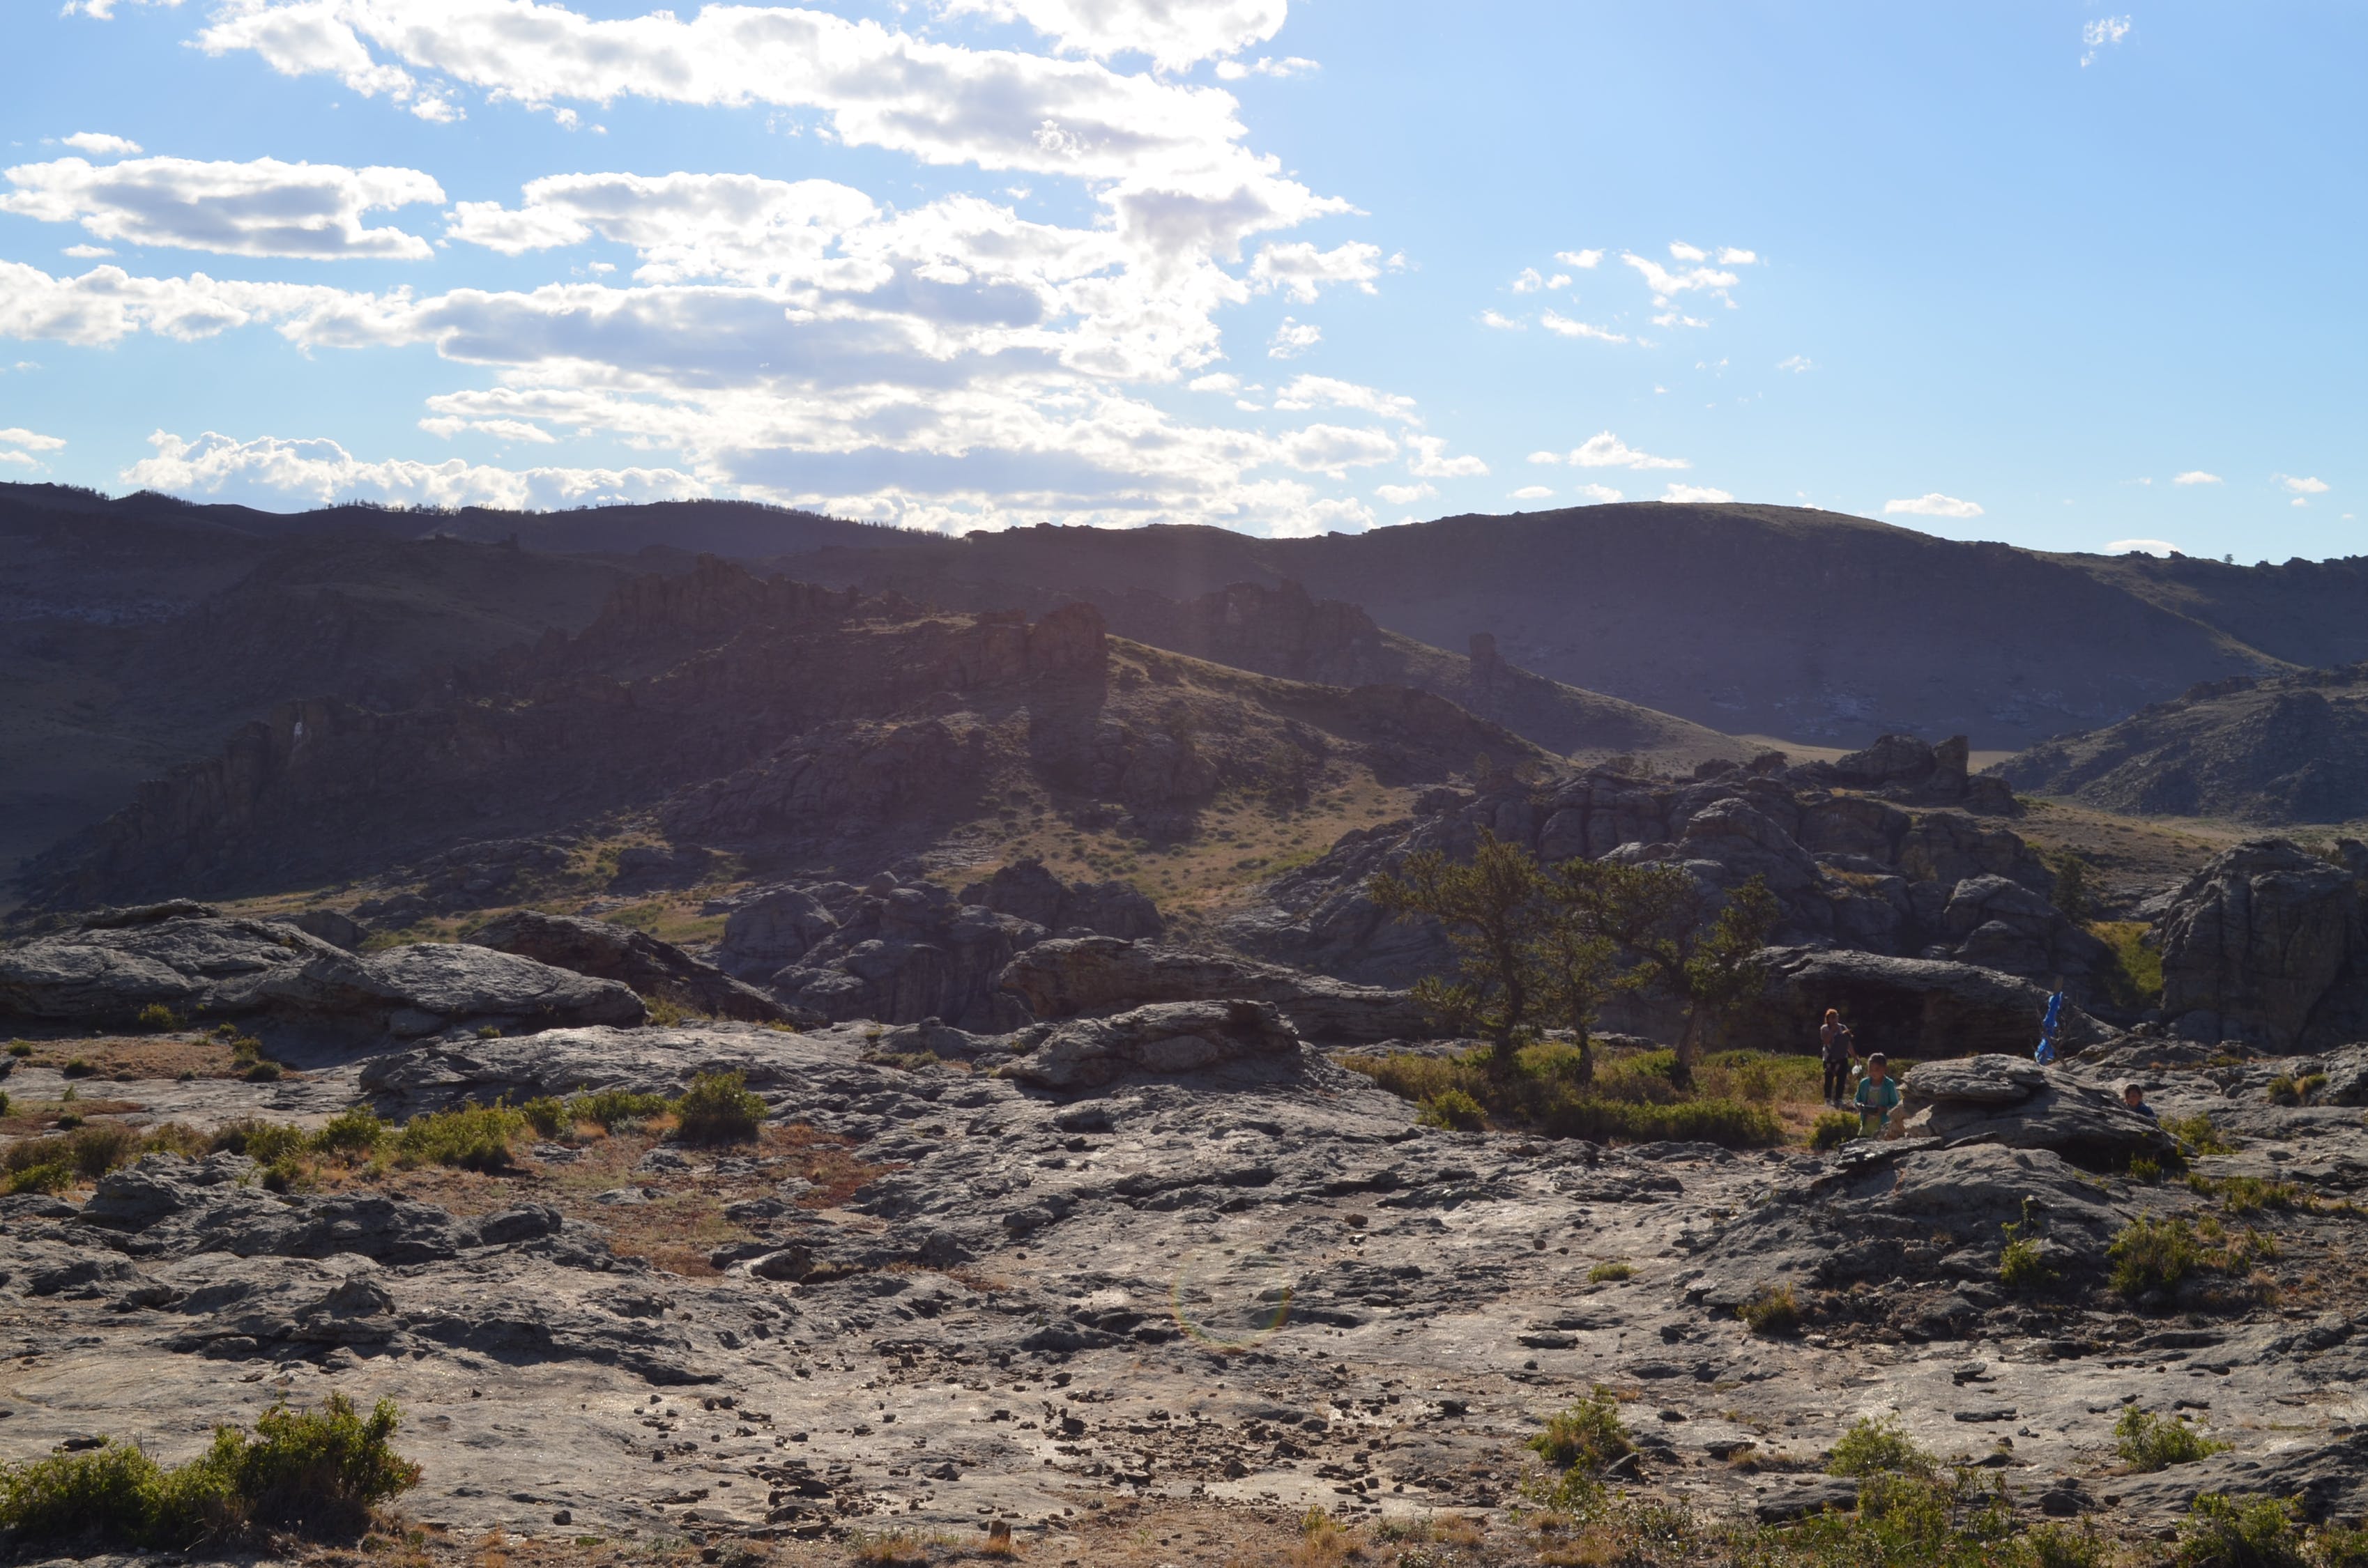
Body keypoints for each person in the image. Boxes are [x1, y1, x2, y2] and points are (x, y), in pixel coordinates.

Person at [1854, 1052, 1901, 1139]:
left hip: (1883, 1126)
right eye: (1870, 1069)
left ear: (1884, 1069)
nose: (1873, 1072)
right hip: (1866, 1125)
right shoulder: (1864, 1083)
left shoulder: (1889, 1084)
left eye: (1877, 1069)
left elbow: (1895, 1104)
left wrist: (1884, 1109)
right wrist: (1859, 1105)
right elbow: (1857, 1099)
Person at [1819, 1008, 1856, 1106]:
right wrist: (1832, 1031)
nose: (1835, 1020)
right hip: (1829, 1057)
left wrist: (1854, 1056)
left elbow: (1848, 1043)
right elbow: (1825, 1041)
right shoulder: (1824, 1028)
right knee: (1829, 1078)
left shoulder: (1843, 1027)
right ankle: (1827, 1099)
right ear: (1828, 1019)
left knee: (1842, 1079)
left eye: (1836, 1017)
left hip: (1842, 1057)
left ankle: (1838, 1099)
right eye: (1832, 1018)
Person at [2035, 985, 2066, 1065]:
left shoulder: (2050, 1022)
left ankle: (2042, 1062)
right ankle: (2042, 1062)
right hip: (2049, 1033)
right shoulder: (2050, 1021)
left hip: (2049, 1033)